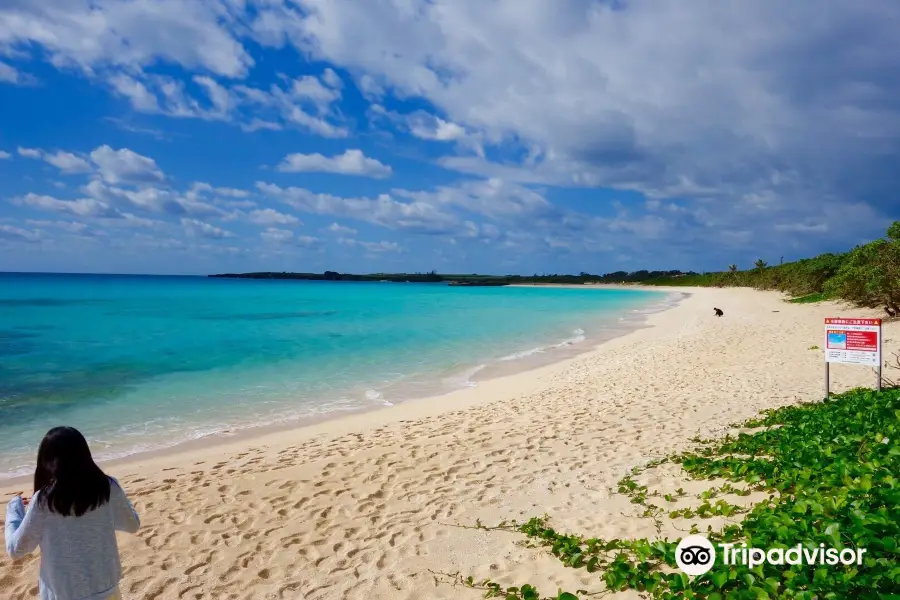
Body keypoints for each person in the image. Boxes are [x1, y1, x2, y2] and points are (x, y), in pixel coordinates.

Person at [5, 427, 140, 600]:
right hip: (107, 592)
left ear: (46, 462)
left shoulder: (44, 500)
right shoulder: (108, 487)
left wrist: (14, 509)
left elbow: (16, 550)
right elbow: (133, 525)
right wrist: (120, 498)